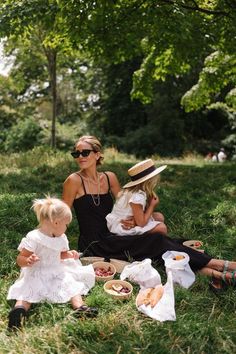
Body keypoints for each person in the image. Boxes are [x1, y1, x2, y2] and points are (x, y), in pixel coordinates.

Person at [62, 135, 236, 293]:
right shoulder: (74, 180)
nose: (80, 157)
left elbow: (124, 204)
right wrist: (59, 248)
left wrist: (132, 220)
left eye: (84, 152)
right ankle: (220, 265)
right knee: (158, 241)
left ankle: (217, 274)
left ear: (97, 154)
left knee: (159, 246)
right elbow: (61, 215)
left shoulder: (109, 177)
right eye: (76, 154)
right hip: (96, 243)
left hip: (116, 233)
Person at [7, 196, 97, 331]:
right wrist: (28, 260)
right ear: (56, 223)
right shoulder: (34, 238)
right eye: (66, 224)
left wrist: (69, 254)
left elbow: (59, 254)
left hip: (56, 270)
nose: (67, 228)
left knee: (70, 284)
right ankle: (19, 310)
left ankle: (79, 306)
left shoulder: (61, 238)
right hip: (36, 271)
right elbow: (20, 259)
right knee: (28, 290)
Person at [106, 159, 168, 236]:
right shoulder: (137, 197)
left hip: (124, 221)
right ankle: (141, 239)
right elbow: (141, 223)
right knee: (162, 228)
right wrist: (152, 205)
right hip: (123, 227)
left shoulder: (130, 191)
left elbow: (140, 215)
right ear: (150, 181)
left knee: (159, 216)